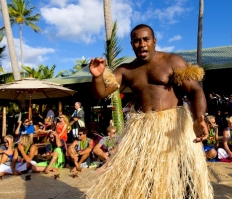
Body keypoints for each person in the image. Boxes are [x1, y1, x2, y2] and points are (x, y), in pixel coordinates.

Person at [88, 24, 212, 198]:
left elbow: (195, 91)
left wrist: (199, 118)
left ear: (154, 41)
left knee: (184, 180)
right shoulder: (126, 70)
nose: (142, 44)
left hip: (172, 131)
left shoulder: (172, 61)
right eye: (137, 41)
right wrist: (97, 76)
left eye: (146, 39)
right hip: (143, 133)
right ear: (132, 44)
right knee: (145, 183)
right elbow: (101, 92)